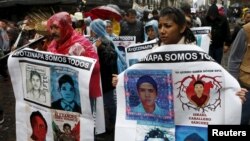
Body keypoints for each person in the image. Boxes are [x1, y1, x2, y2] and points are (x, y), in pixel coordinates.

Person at [46, 11, 101, 100]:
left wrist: (83, 55)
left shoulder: (81, 42)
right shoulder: (53, 44)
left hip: (80, 96)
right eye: (51, 28)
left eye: (56, 27)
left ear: (66, 27)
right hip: (59, 94)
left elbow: (96, 67)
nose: (53, 32)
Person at [89, 19, 118, 133]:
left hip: (106, 79)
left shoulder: (105, 42)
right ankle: (107, 124)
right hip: (102, 79)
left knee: (109, 102)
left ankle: (113, 124)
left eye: (93, 29)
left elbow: (110, 61)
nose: (91, 31)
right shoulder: (99, 41)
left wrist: (100, 48)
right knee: (105, 103)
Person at [228, 21, 250, 125]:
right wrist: (233, 86)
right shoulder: (246, 30)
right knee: (242, 119)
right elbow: (234, 59)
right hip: (246, 86)